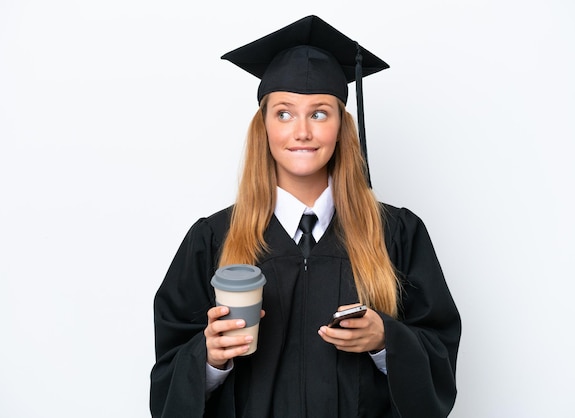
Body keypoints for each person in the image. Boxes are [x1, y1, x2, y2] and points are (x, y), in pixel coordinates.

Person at [150, 15, 461, 418]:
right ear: (263, 126)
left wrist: (386, 340)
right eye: (283, 113)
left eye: (319, 113)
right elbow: (167, 376)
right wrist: (209, 359)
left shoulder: (397, 234)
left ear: (341, 128)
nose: (301, 132)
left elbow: (440, 355)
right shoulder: (214, 238)